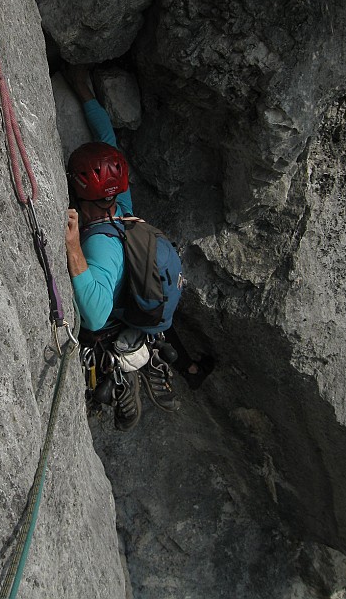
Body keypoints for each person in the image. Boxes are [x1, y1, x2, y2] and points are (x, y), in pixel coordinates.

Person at [64, 65, 211, 430]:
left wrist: (72, 248)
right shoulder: (124, 206)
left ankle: (123, 370)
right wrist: (85, 95)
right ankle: (168, 362)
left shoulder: (98, 243)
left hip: (116, 315)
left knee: (97, 330)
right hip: (145, 298)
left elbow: (96, 314)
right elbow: (109, 145)